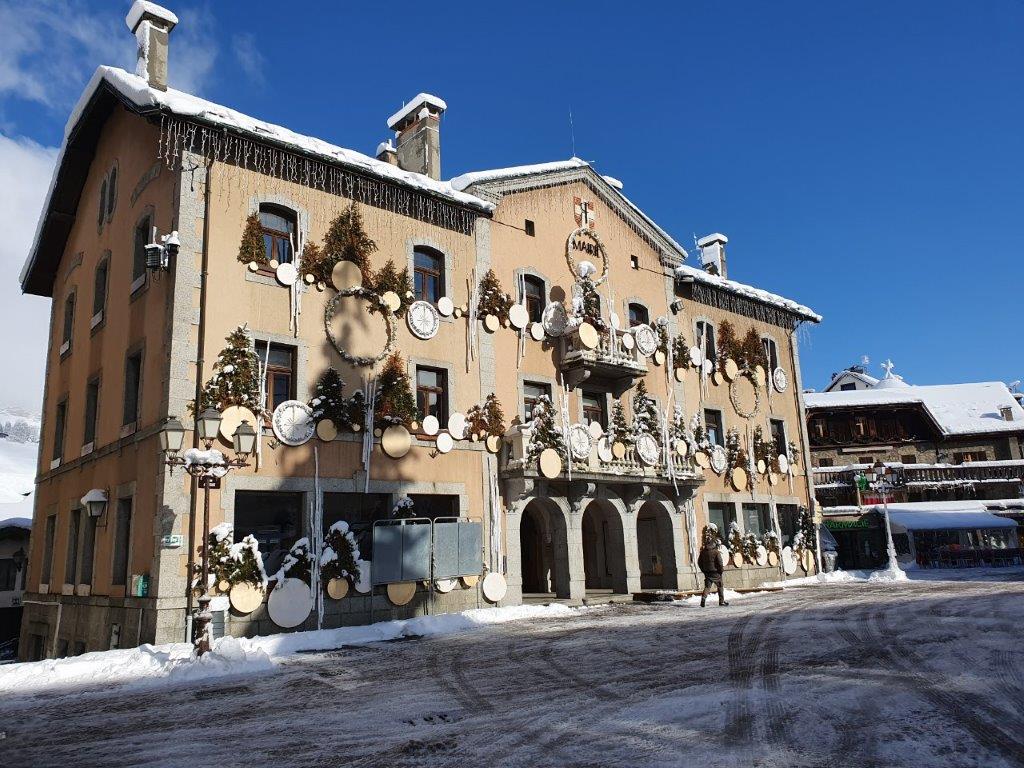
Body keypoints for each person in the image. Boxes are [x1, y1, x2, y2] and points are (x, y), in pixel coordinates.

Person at [698, 538, 729, 608]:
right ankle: (721, 601)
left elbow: (699, 562)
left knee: (707, 587)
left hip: (707, 572)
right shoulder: (716, 552)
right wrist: (721, 570)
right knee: (720, 586)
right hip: (716, 572)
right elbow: (720, 563)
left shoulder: (703, 552)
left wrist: (703, 570)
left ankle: (703, 598)